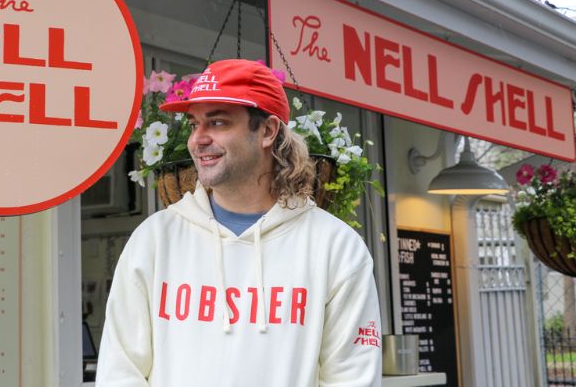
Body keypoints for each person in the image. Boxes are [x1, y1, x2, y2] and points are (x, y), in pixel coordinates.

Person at [96, 59, 382, 386]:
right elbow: (120, 371)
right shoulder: (156, 239)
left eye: (217, 123)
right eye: (194, 124)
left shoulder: (336, 248)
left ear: (268, 131)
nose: (197, 139)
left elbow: (352, 377)